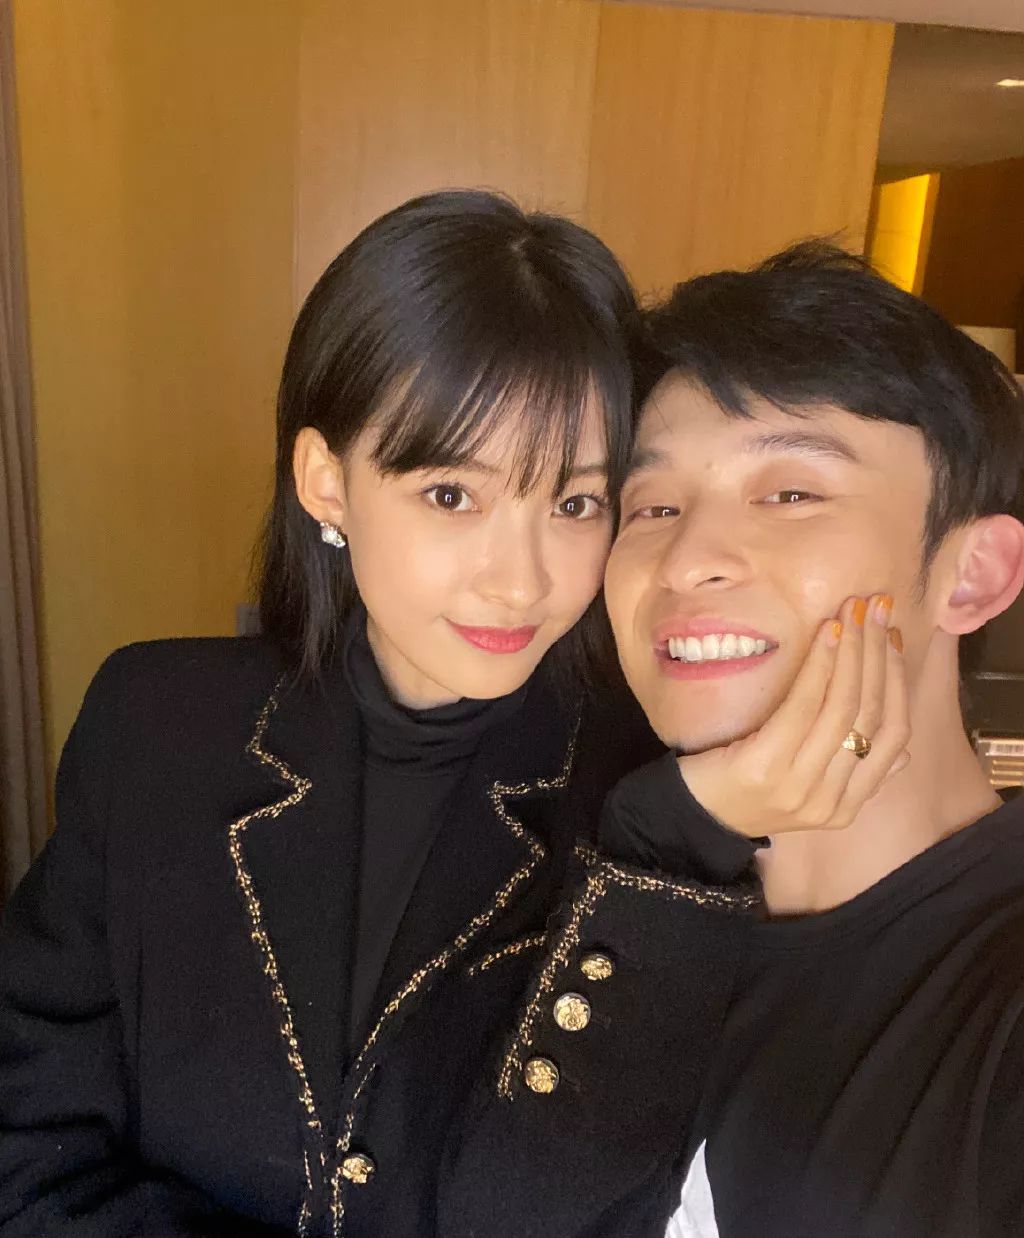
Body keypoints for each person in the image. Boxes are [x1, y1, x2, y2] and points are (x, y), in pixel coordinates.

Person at [0, 197, 900, 1238]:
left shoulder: (656, 793)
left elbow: (573, 1204)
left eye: (573, 504)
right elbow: (27, 1145)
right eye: (450, 495)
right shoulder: (155, 726)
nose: (520, 581)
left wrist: (679, 847)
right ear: (326, 481)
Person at [482, 241, 1021, 1238]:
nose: (686, 558)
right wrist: (669, 831)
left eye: (790, 493)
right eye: (652, 506)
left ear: (974, 574)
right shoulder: (572, 875)